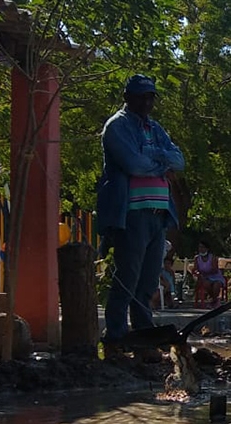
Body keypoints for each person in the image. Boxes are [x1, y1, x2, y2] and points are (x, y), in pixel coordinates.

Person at [96, 74, 185, 360]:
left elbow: (179, 160)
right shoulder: (117, 126)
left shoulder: (155, 128)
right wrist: (161, 162)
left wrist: (152, 154)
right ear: (127, 97)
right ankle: (116, 336)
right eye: (141, 96)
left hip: (159, 213)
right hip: (131, 212)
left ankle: (143, 335)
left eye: (150, 97)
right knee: (128, 276)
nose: (147, 102)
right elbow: (133, 164)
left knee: (148, 281)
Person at [191, 241, 227, 308]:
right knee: (206, 283)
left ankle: (213, 300)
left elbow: (215, 270)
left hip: (215, 276)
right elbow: (195, 269)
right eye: (199, 247)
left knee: (217, 284)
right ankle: (214, 299)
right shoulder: (197, 258)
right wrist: (197, 273)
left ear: (207, 249)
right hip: (204, 277)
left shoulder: (212, 257)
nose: (200, 249)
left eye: (202, 247)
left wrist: (206, 272)